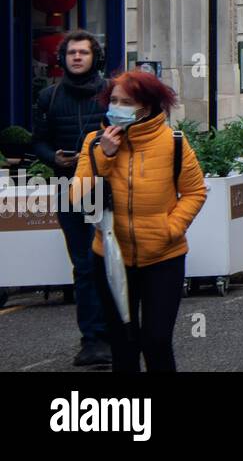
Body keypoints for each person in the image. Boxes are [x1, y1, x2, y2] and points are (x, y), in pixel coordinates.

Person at [72, 69, 206, 372]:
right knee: (123, 344)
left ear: (145, 106)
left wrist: (170, 229)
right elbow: (78, 197)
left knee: (156, 340)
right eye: (113, 100)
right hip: (110, 258)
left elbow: (195, 191)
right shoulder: (94, 143)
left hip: (163, 256)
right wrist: (104, 156)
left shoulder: (173, 142)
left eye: (126, 102)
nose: (116, 107)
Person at [31, 31, 111, 367]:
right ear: (62, 58)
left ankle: (117, 334)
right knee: (83, 265)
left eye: (84, 52)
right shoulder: (49, 97)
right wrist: (54, 159)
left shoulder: (111, 94)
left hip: (108, 189)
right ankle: (92, 341)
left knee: (112, 263)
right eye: (71, 53)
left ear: (95, 58)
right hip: (70, 190)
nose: (77, 58)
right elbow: (38, 142)